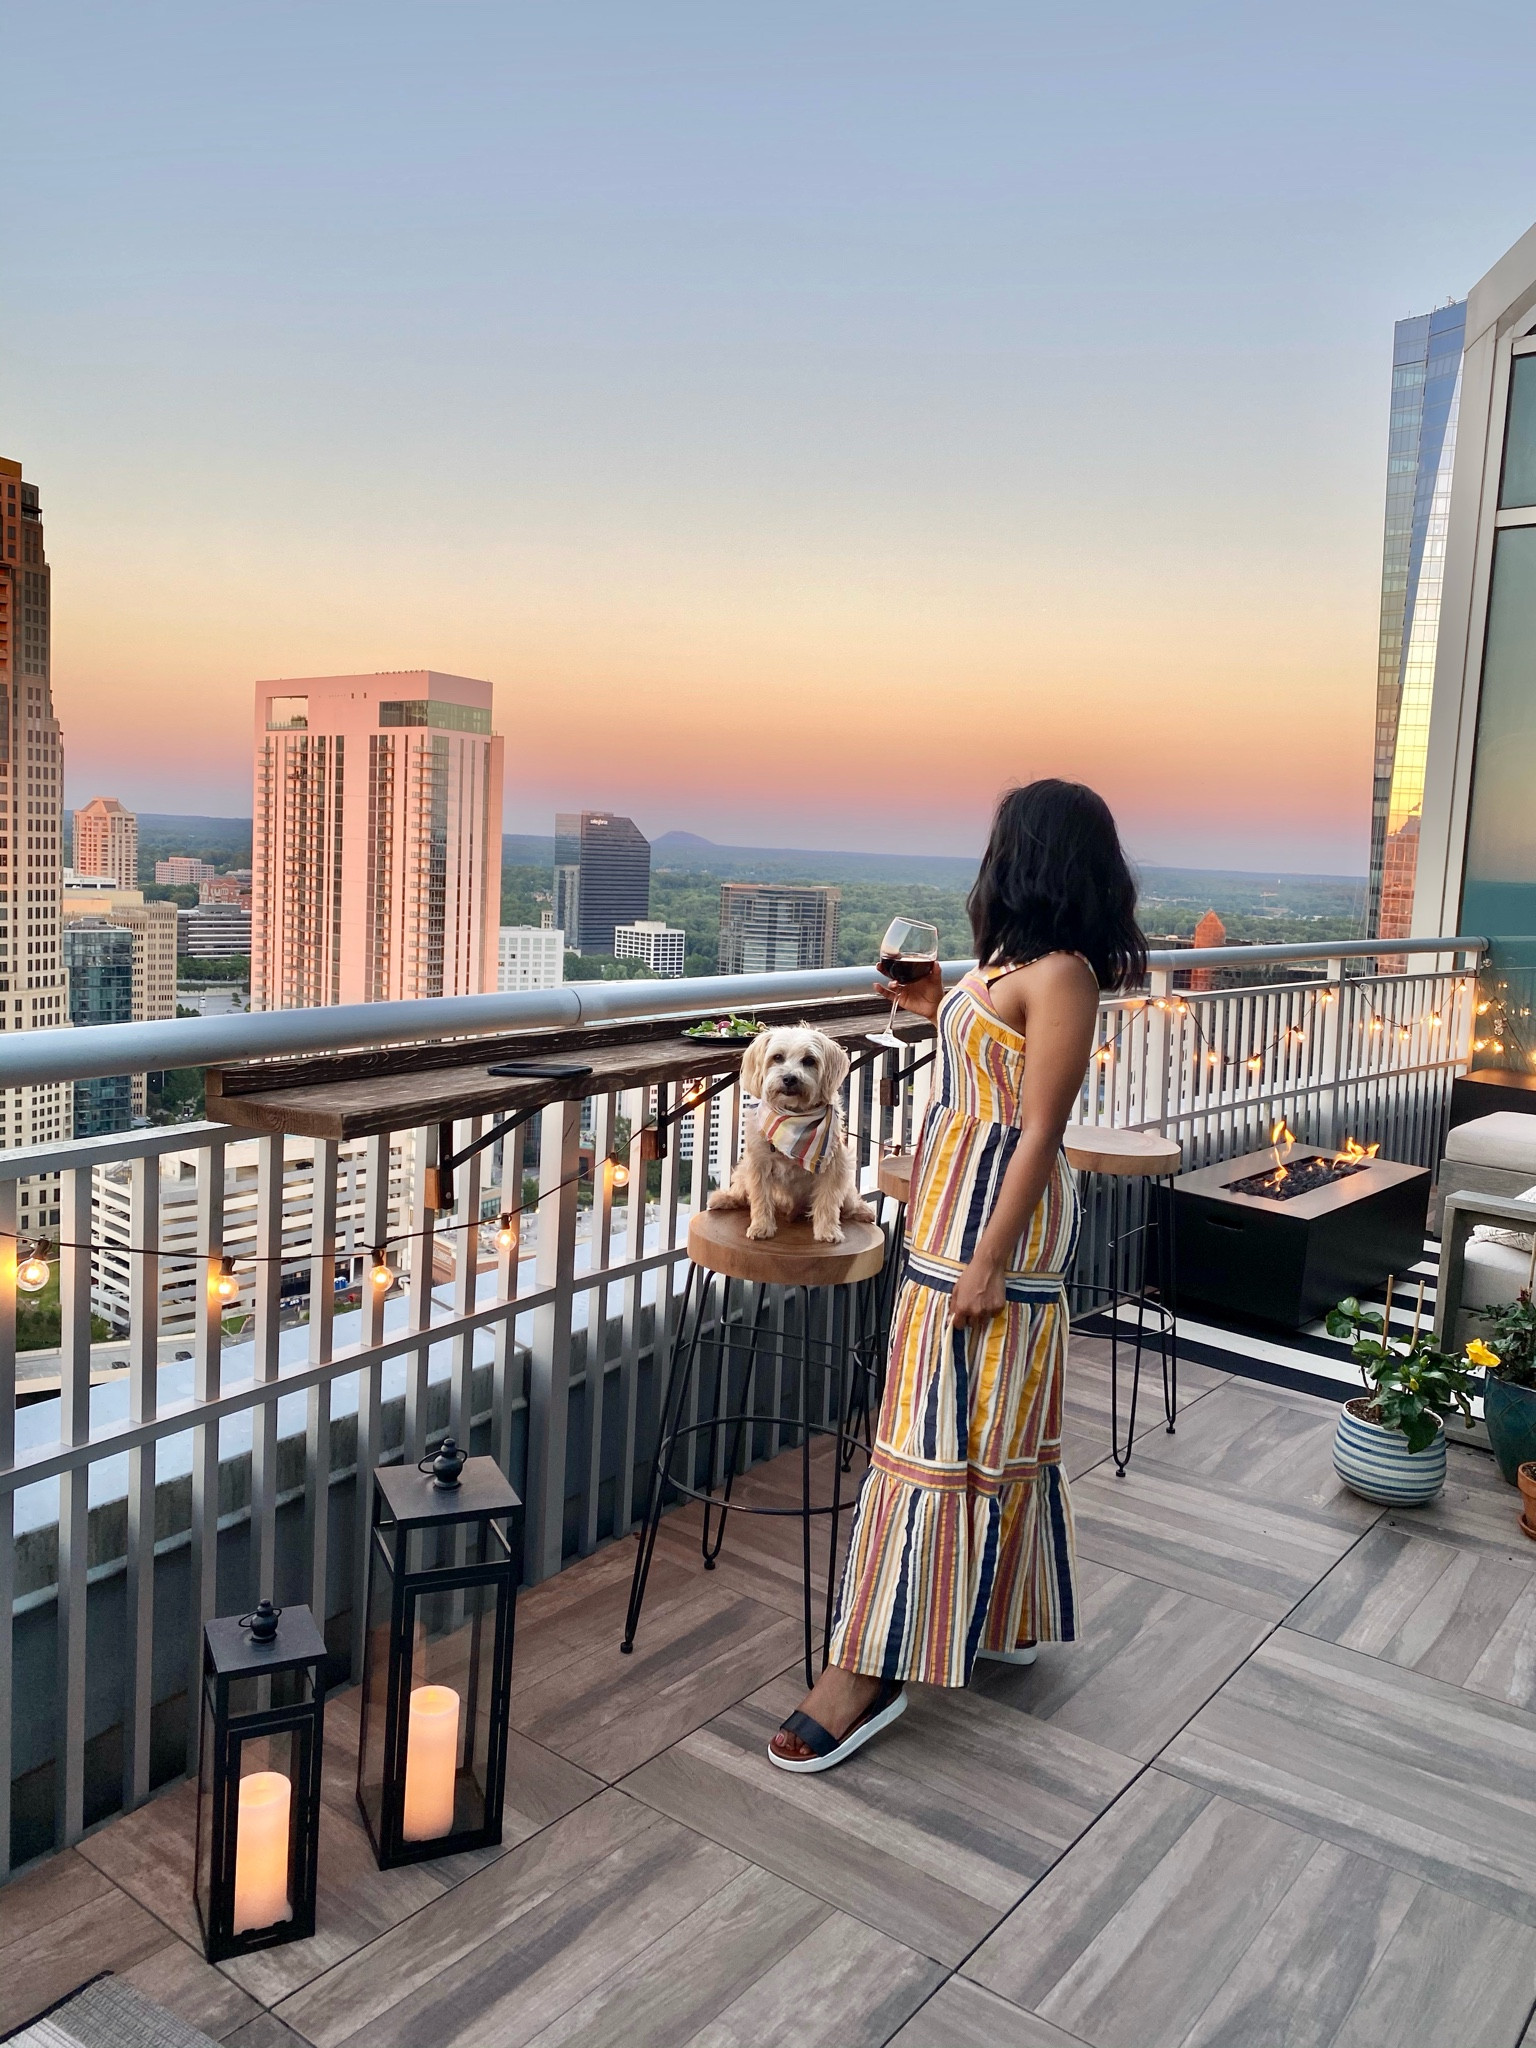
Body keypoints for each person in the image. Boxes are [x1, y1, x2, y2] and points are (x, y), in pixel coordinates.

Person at [769, 779, 1147, 1772]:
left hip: (992, 1231)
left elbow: (1040, 1129)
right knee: (981, 1416)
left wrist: (988, 1261)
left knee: (932, 1430)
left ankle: (872, 1665)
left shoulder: (1064, 975)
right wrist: (938, 1004)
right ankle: (1001, 1611)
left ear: (1029, 855)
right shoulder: (1014, 962)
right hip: (951, 1214)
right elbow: (995, 1064)